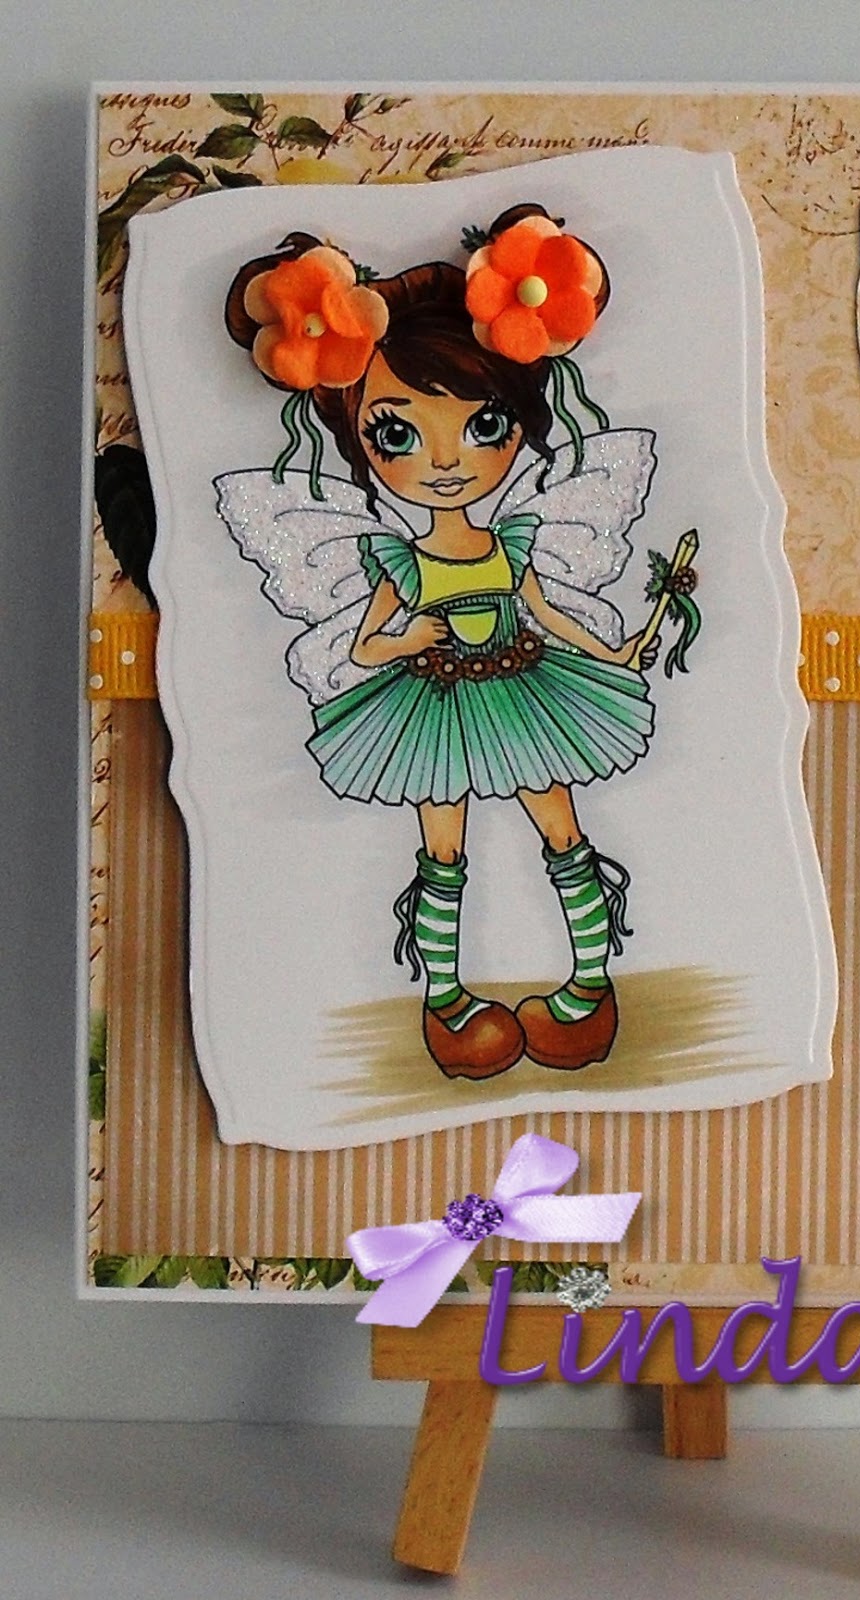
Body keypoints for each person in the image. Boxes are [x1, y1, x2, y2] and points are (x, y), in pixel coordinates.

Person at [224, 205, 660, 1082]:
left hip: (527, 689)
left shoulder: (515, 541)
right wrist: (407, 636)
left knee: (562, 830)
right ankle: (447, 1002)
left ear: (520, 422)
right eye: (397, 435)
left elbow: (548, 613)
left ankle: (588, 988)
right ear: (358, 441)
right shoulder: (395, 558)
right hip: (430, 705)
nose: (447, 460)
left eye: (484, 425)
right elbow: (365, 648)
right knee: (443, 850)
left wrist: (613, 655)